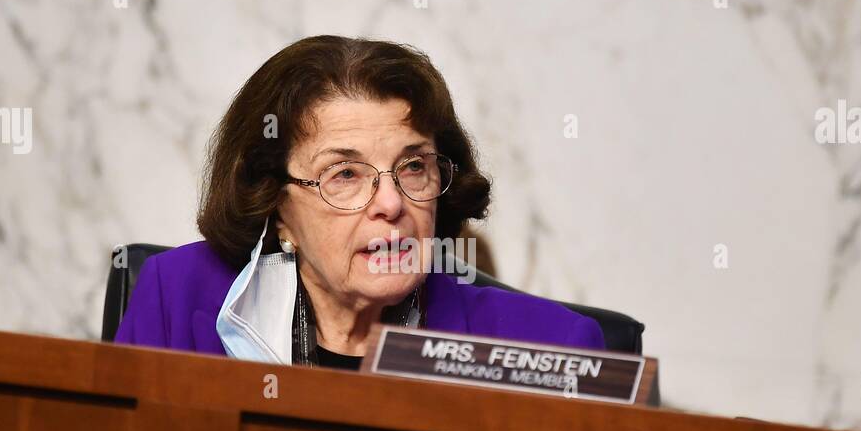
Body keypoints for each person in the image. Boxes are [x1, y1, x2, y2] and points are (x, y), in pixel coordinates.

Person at [114, 35, 604, 369]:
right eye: (345, 174)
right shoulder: (174, 299)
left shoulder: (554, 347)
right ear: (277, 206)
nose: (390, 204)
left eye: (414, 166)